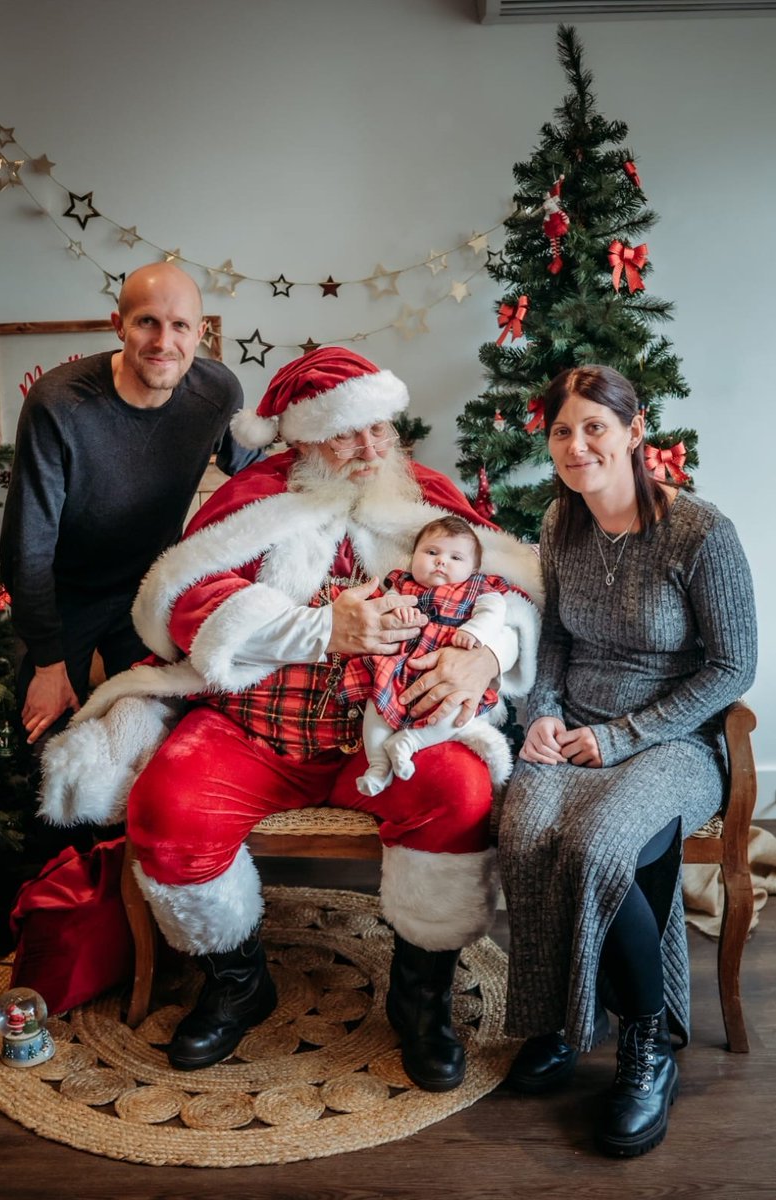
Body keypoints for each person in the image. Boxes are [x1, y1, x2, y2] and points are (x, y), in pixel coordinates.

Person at [39, 346, 541, 1092]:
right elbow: (180, 604)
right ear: (303, 438)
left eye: (379, 430)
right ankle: (237, 982)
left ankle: (420, 993)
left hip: (385, 733)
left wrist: (488, 655)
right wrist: (319, 631)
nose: (369, 450)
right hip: (255, 729)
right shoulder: (252, 501)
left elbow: (513, 588)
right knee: (165, 809)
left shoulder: (427, 498)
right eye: (346, 434)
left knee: (461, 796)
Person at [498, 364, 757, 1157]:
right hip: (569, 725)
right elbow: (556, 639)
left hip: (671, 740)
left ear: (634, 430)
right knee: (523, 829)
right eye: (561, 432)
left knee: (595, 845)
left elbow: (732, 669)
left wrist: (620, 736)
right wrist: (539, 714)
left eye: (594, 428)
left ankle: (648, 1044)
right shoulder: (558, 522)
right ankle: (559, 1018)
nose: (576, 447)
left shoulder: (698, 533)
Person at [0, 262, 258, 748]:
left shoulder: (217, 392)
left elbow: (255, 470)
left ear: (199, 333)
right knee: (46, 739)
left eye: (180, 325)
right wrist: (48, 662)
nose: (164, 341)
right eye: (147, 322)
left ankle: (128, 827)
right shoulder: (58, 403)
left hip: (149, 589)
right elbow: (27, 547)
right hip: (61, 595)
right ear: (119, 326)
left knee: (150, 740)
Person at [341, 515, 533, 796]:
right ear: (413, 557)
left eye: (456, 557)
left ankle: (409, 742)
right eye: (431, 552)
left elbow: (495, 612)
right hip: (400, 665)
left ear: (474, 567)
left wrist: (476, 632)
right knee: (377, 706)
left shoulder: (479, 588)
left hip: (451, 668)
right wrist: (397, 611)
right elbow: (383, 607)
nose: (441, 561)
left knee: (456, 713)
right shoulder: (403, 585)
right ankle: (378, 765)